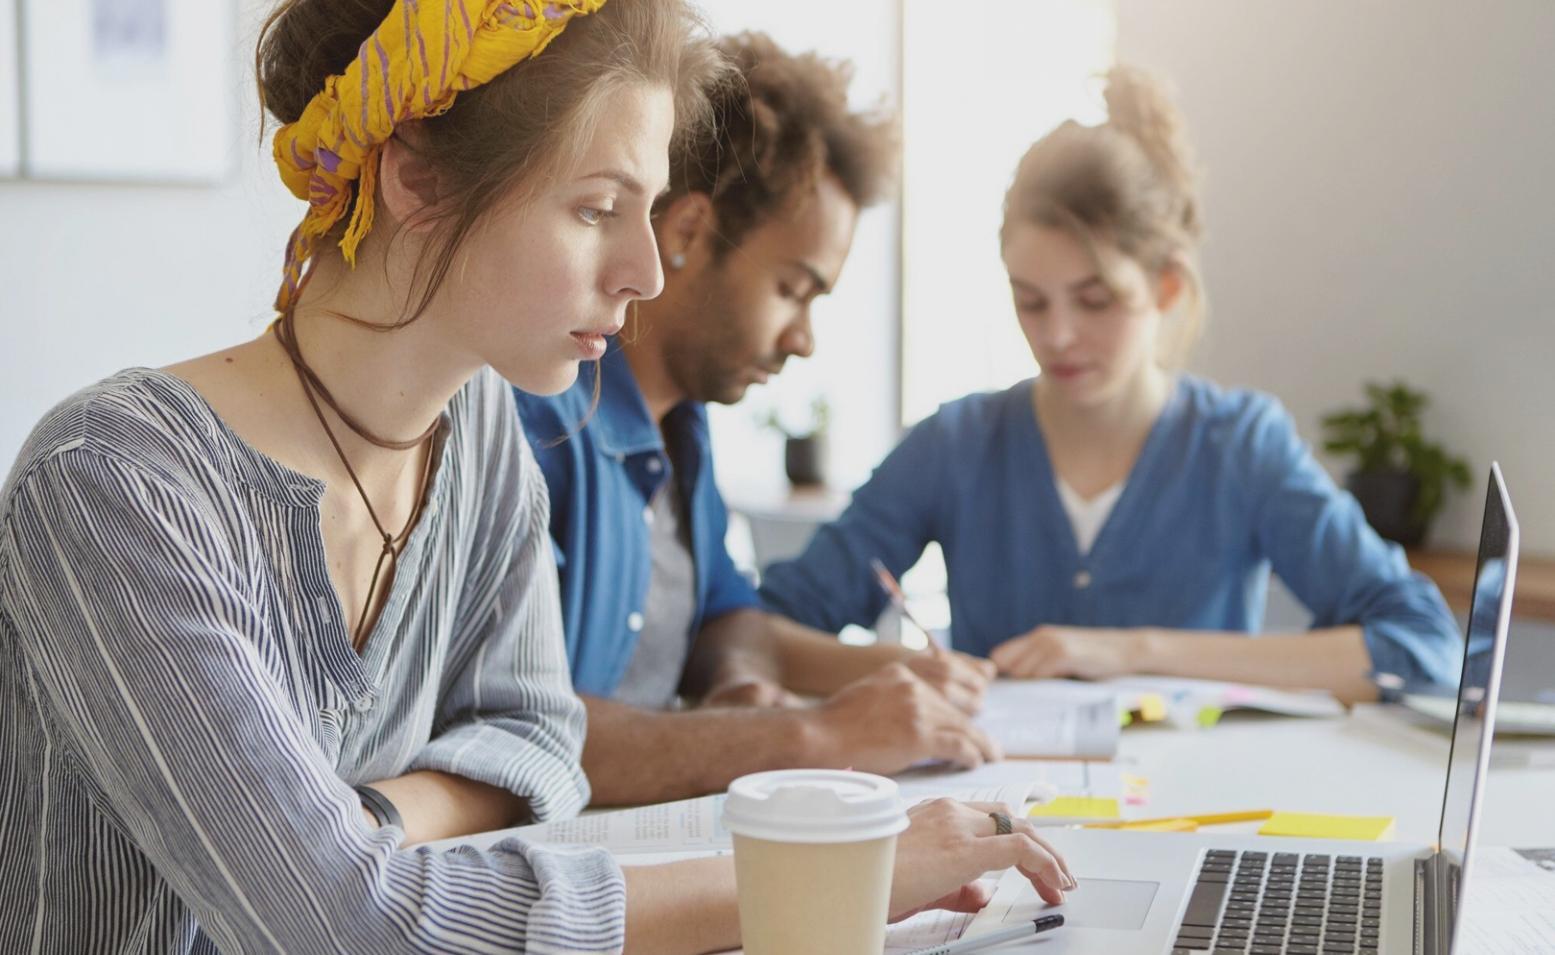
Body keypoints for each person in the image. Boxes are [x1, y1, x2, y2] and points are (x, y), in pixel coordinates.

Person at [0, 2, 1070, 952]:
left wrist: (362, 821)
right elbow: (350, 924)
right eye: (599, 208)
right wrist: (827, 877)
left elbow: (544, 740)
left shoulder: (482, 440)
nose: (646, 271)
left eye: (650, 214)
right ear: (415, 175)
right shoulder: (111, 486)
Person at [759, 67, 1463, 704]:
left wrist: (1132, 652)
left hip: (1199, 819)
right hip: (1002, 825)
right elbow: (759, 632)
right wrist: (908, 671)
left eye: (1094, 300)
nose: (1057, 334)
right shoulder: (956, 443)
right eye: (1030, 300)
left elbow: (1420, 645)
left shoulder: (1239, 444)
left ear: (1163, 285)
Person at [516, 32, 998, 808]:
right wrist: (809, 735)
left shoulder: (681, 428)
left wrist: (740, 680)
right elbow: (528, 739)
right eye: (792, 289)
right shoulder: (537, 426)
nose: (801, 338)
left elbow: (728, 610)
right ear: (688, 234)